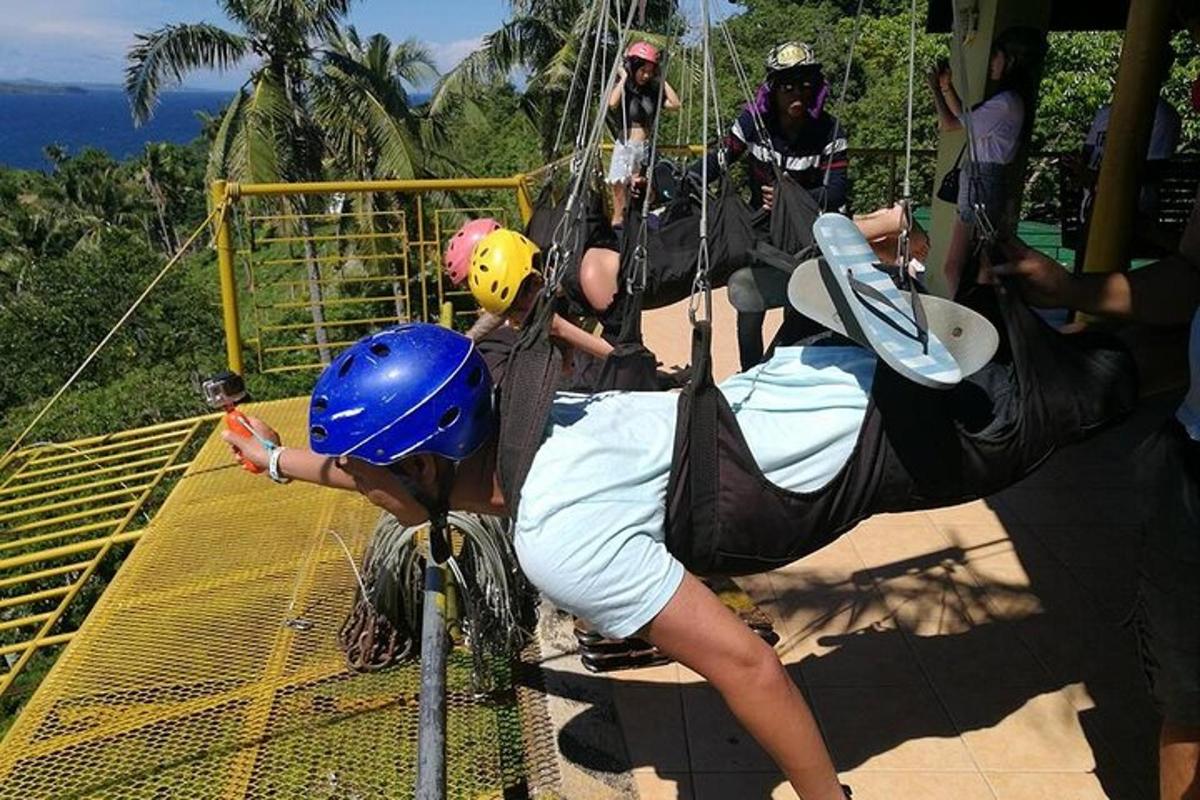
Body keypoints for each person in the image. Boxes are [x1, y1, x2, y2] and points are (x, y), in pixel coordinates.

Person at [225, 248, 1135, 799]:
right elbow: (379, 472)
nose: (358, 484)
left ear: (422, 467)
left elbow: (748, 664)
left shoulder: (556, 533)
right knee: (1099, 362)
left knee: (1124, 391)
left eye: (368, 470)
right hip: (830, 377)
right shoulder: (522, 400)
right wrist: (277, 462)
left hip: (899, 433)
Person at [696, 41, 851, 370]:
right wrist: (683, 177)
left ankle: (783, 372)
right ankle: (751, 371)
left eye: (806, 85)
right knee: (750, 308)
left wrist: (790, 200)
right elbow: (721, 158)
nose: (798, 94)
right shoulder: (754, 123)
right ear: (774, 90)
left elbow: (836, 190)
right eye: (788, 86)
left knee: (798, 310)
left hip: (805, 239)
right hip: (762, 236)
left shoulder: (829, 131)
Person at [930, 26, 1045, 296]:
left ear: (1011, 60)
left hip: (981, 182)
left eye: (997, 56)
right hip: (988, 180)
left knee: (955, 265)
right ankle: (981, 315)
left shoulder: (1004, 103)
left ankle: (963, 319)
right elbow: (967, 120)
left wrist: (935, 90)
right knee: (983, 265)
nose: (992, 62)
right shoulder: (1011, 102)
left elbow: (949, 124)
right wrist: (947, 88)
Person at [1078, 46, 1181, 254]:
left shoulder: (1161, 116)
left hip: (1131, 213)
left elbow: (1151, 172)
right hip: (1092, 205)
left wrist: (1098, 179)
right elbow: (1087, 155)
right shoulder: (1105, 113)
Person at [465, 227, 614, 361]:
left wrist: (560, 327)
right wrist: (469, 339)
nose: (511, 322)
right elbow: (505, 306)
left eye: (518, 313)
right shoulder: (533, 270)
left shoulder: (589, 277)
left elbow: (625, 356)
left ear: (536, 282)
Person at [607, 42, 680, 229]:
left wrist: (661, 79)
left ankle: (637, 229)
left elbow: (675, 104)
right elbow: (611, 103)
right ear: (634, 67)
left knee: (640, 193)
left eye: (649, 71)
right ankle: (618, 228)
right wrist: (622, 78)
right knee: (619, 189)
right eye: (642, 70)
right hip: (626, 145)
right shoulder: (625, 89)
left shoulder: (652, 91)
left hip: (644, 148)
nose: (645, 75)